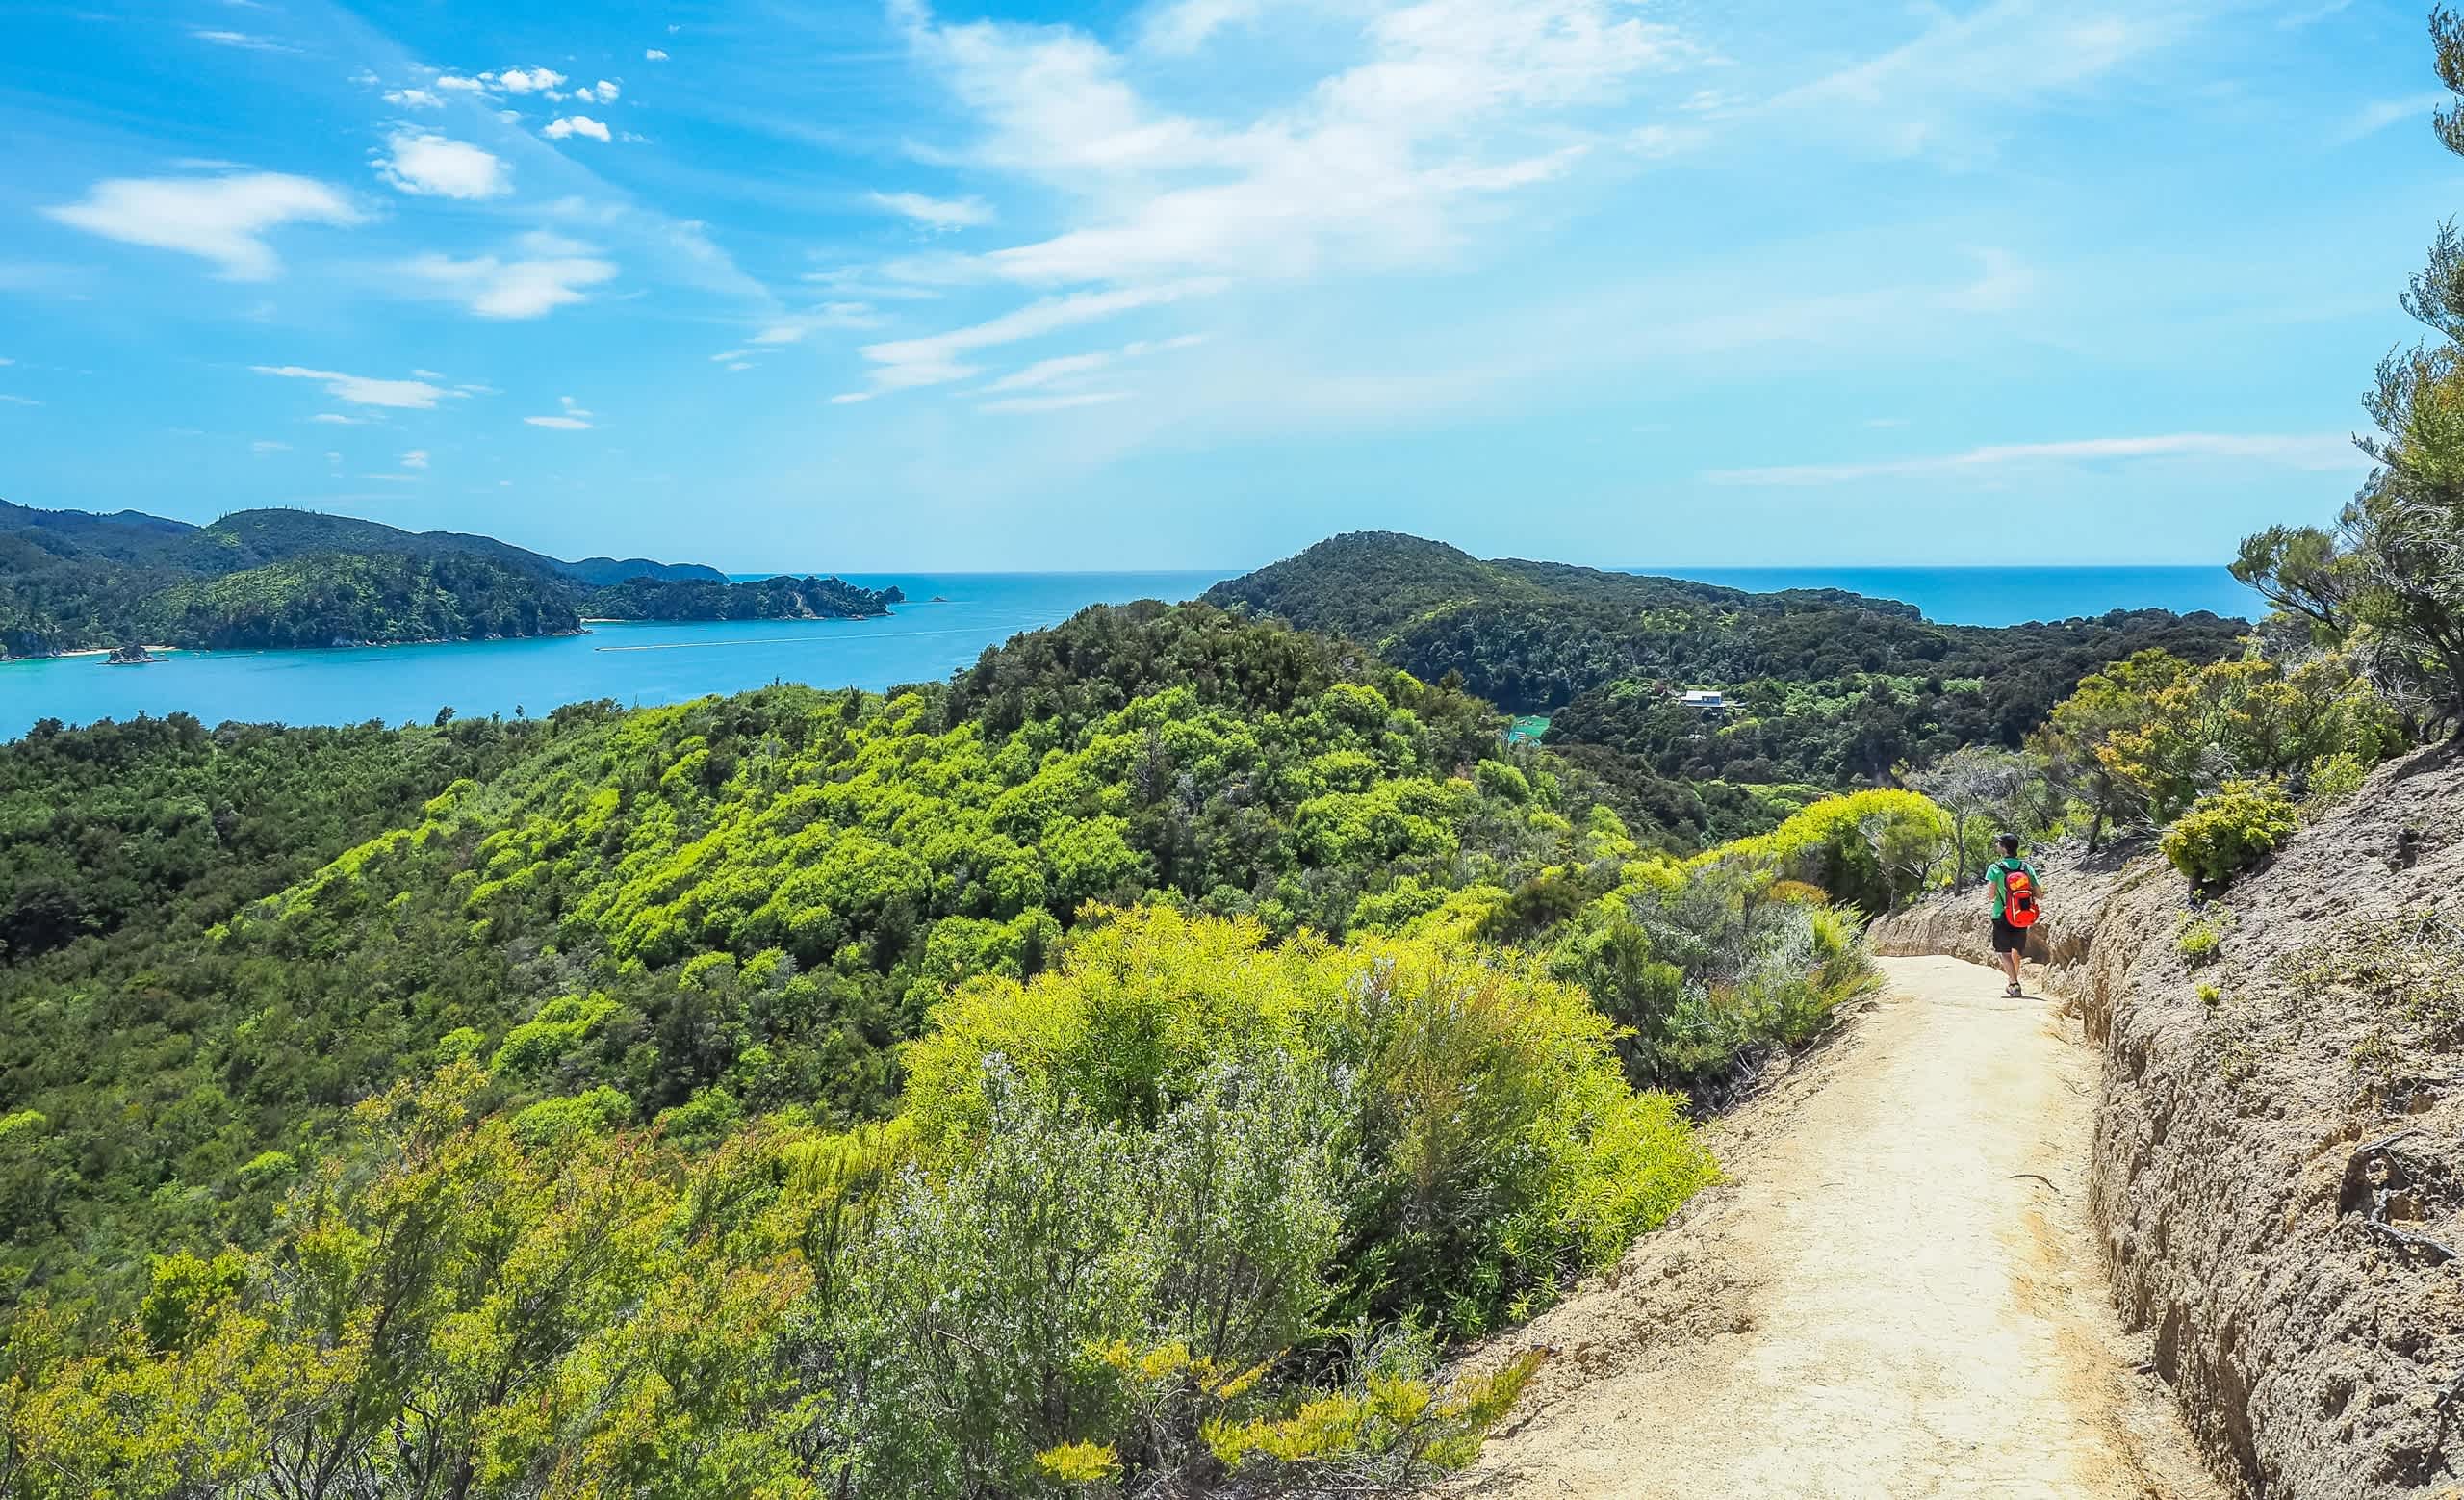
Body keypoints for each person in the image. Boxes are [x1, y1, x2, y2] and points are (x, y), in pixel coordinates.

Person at [1984, 833, 2044, 997]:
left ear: (2003, 848)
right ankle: (2013, 980)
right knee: (2016, 949)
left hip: (2001, 913)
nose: (1996, 845)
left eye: (1998, 843)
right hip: (2021, 914)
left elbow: (1991, 896)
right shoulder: (2026, 868)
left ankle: (2014, 983)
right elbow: (2039, 894)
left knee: (2003, 951)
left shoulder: (1995, 868)